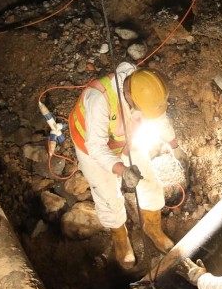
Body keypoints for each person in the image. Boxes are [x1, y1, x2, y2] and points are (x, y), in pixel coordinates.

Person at [69, 62, 187, 268]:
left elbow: (159, 118)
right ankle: (120, 240)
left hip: (123, 138)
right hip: (91, 148)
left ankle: (152, 228)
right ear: (129, 97)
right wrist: (122, 171)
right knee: (108, 197)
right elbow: (96, 147)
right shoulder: (99, 100)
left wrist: (175, 145)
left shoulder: (145, 88)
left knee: (149, 181)